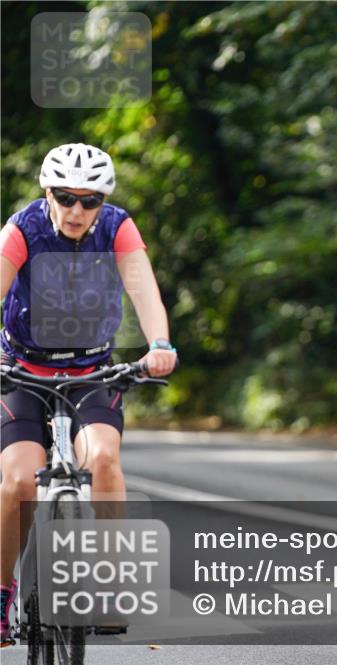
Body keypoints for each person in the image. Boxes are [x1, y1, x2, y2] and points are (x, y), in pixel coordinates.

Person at [0, 143, 177, 645]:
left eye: (90, 200)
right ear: (47, 193)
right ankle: (1, 595)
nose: (77, 210)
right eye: (66, 197)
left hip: (92, 370)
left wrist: (159, 344)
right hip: (21, 370)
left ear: (103, 201)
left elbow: (144, 291)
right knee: (18, 481)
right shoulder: (21, 230)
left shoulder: (117, 228)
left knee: (102, 459)